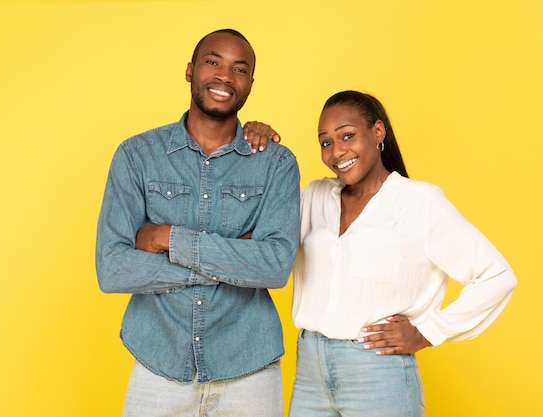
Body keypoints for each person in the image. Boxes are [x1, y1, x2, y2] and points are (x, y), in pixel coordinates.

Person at [249, 90, 517, 417]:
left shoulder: (420, 202)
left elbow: (496, 276)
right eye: (326, 142)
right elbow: (254, 236)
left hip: (378, 375)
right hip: (309, 371)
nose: (337, 152)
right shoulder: (314, 196)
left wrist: (428, 332)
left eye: (347, 136)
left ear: (377, 133)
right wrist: (253, 149)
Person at [95, 28, 300, 417]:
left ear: (250, 84)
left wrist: (169, 238)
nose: (225, 76)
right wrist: (233, 259)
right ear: (190, 71)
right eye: (212, 62)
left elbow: (274, 266)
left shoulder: (276, 163)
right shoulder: (136, 155)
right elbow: (113, 269)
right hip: (157, 366)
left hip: (249, 369)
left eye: (239, 69)